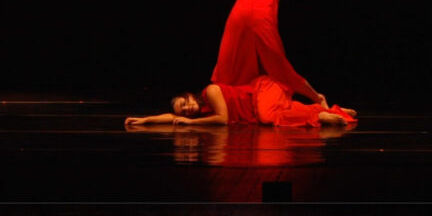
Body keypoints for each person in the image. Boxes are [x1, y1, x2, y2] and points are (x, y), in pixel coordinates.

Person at [204, 0, 362, 108]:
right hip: (236, 23)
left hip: (263, 21)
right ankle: (224, 105)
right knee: (228, 61)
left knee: (278, 64)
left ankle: (317, 97)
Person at [124, 75, 358, 127]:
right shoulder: (203, 112)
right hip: (261, 105)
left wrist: (191, 124)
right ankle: (328, 109)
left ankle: (319, 114)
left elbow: (223, 119)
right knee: (281, 113)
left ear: (191, 96)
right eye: (184, 112)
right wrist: (145, 120)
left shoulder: (210, 91)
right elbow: (172, 118)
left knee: (270, 117)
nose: (187, 110)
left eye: (185, 103)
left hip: (264, 90)